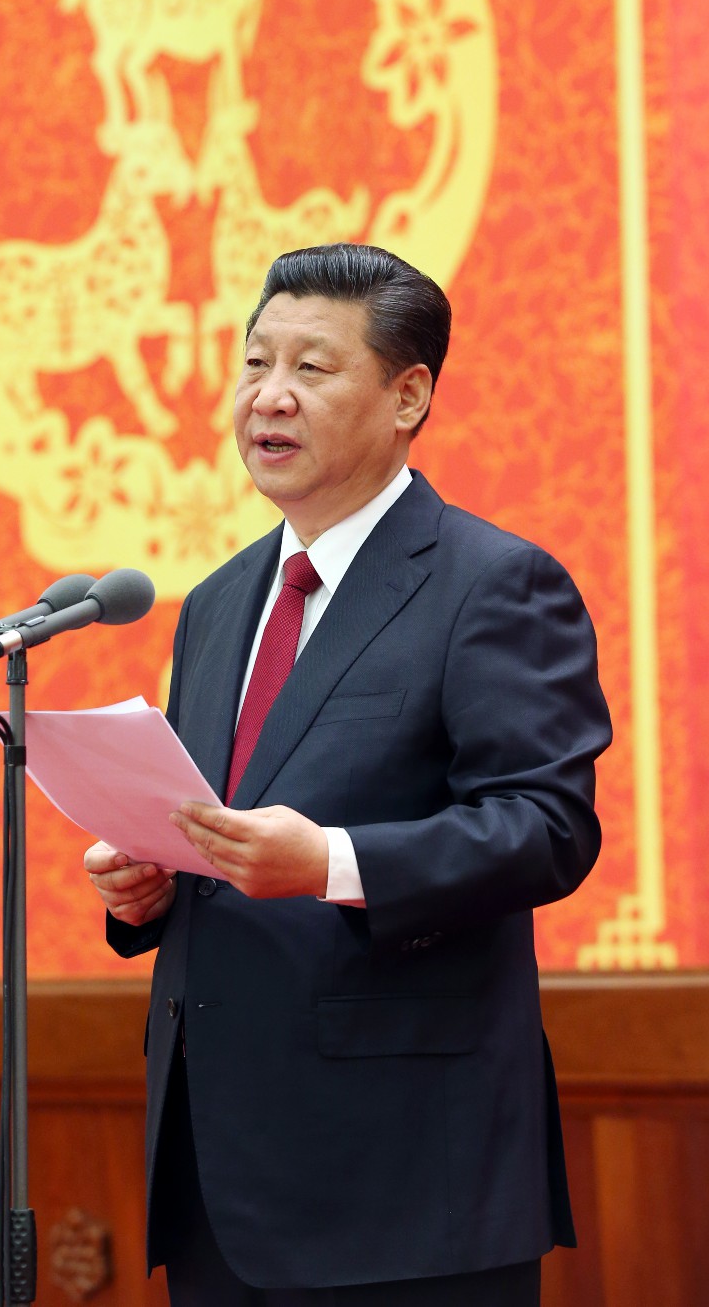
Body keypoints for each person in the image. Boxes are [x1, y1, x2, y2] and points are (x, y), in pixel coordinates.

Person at [83, 243, 612, 1306]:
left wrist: (329, 861)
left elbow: (547, 828)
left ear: (408, 393)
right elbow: (216, 824)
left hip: (405, 1179)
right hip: (216, 1169)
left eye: (311, 369)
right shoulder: (218, 602)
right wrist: (148, 882)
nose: (267, 398)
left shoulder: (494, 584)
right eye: (253, 364)